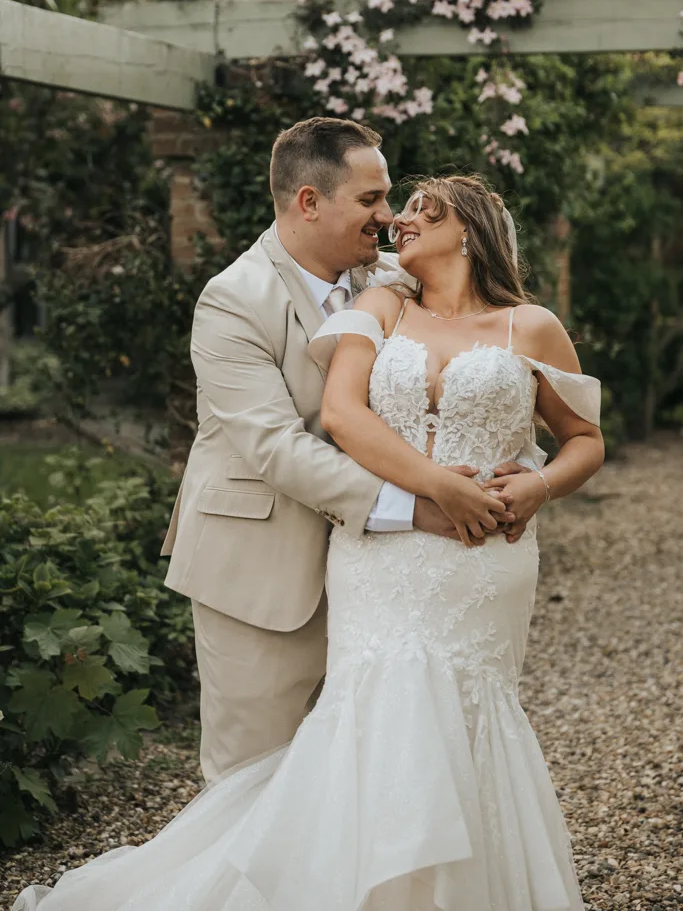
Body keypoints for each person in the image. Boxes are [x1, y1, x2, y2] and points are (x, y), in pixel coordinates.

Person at [13, 166, 603, 911]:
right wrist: (435, 488)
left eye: (419, 209)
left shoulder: (531, 325)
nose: (395, 220)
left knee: (467, 719)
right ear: (306, 198)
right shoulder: (379, 304)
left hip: (483, 566)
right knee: (369, 725)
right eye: (386, 204)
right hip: (382, 553)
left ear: (471, 229)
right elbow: (342, 418)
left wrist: (536, 485)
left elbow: (582, 435)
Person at [158, 116, 531, 784]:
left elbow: (492, 378)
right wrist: (419, 507)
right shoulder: (232, 301)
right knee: (252, 783)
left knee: (365, 785)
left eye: (387, 198)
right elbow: (276, 446)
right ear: (308, 201)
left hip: (383, 587)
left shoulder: (400, 280)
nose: (388, 218)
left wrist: (513, 477)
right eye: (369, 200)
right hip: (262, 573)